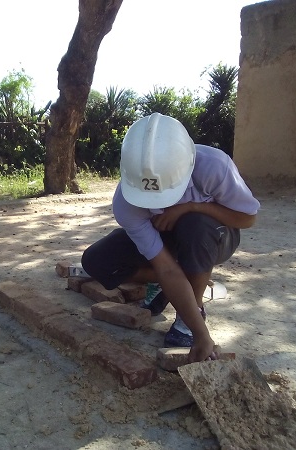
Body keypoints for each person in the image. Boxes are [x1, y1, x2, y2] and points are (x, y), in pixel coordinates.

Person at [81, 113, 260, 362]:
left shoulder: (214, 166)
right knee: (96, 260)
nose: (160, 204)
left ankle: (191, 311)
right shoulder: (126, 201)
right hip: (168, 243)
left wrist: (192, 207)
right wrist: (171, 280)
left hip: (213, 238)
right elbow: (166, 268)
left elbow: (247, 218)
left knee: (195, 225)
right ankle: (178, 288)